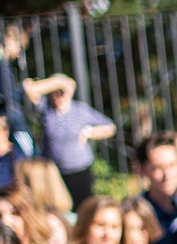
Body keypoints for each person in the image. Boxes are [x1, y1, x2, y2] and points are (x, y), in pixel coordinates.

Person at [29, 74, 115, 206]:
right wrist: (57, 82)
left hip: (79, 171)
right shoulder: (46, 110)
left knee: (84, 207)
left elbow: (110, 127)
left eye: (61, 92)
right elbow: (29, 88)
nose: (57, 95)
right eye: (54, 92)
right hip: (54, 174)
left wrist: (90, 132)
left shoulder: (80, 110)